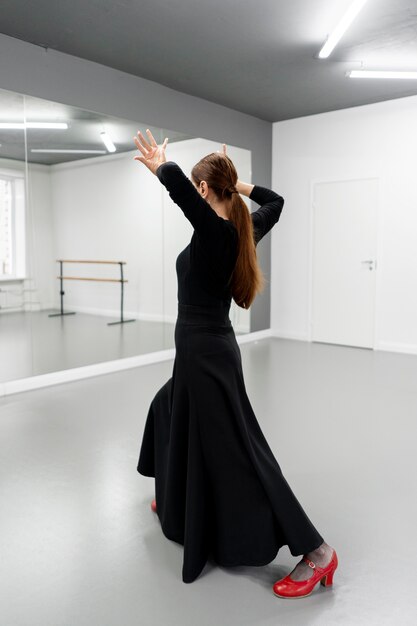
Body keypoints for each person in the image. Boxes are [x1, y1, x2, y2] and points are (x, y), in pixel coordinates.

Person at [133, 129, 338, 598]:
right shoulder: (244, 228)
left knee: (243, 453)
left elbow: (184, 198)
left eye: (198, 188)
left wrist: (164, 168)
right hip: (201, 353)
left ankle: (318, 552)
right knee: (166, 409)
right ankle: (175, 494)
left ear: (203, 190)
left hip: (206, 357)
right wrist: (236, 185)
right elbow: (276, 200)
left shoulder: (218, 233)